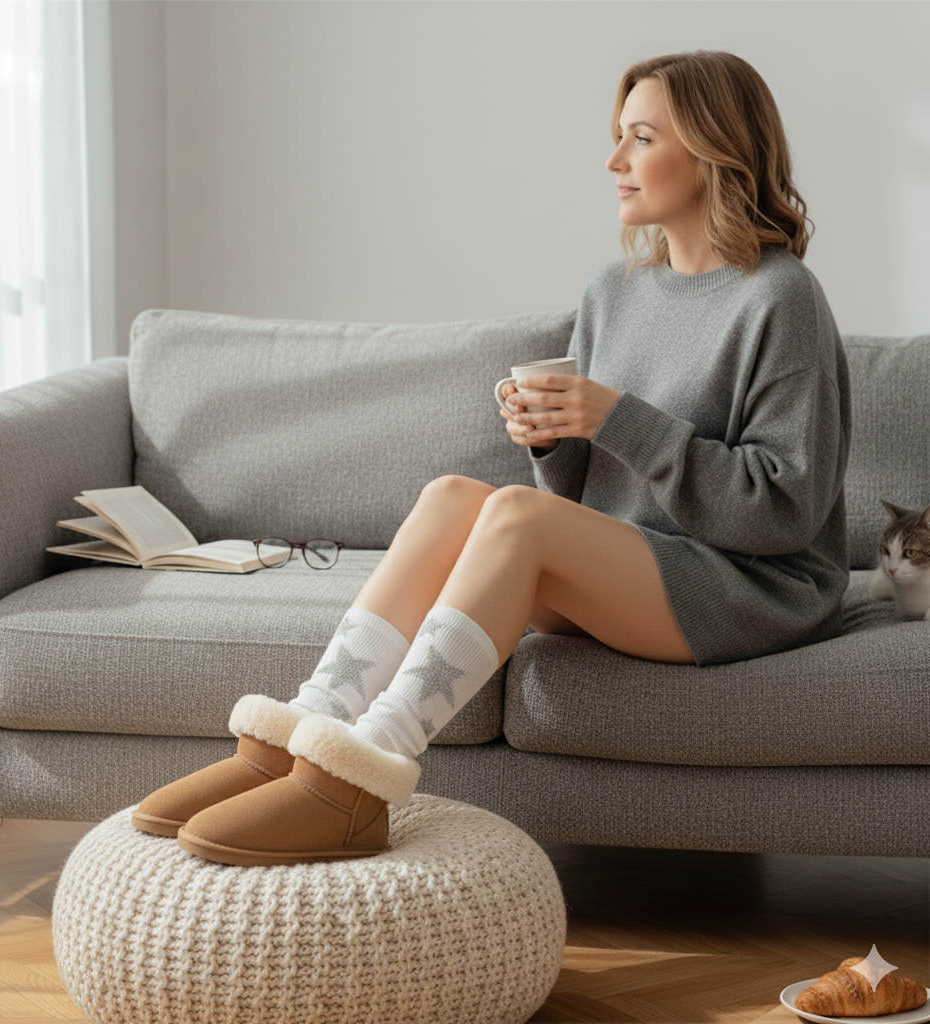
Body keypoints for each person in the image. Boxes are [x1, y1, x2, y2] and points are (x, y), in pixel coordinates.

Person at [132, 50, 850, 867]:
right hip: (647, 566)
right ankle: (297, 740)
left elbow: (784, 510)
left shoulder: (780, 297)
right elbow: (585, 498)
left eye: (641, 139)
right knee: (451, 497)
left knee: (512, 515)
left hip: (750, 585)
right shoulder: (613, 291)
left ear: (715, 152)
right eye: (618, 138)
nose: (613, 162)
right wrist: (552, 439)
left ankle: (360, 785)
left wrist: (618, 419)